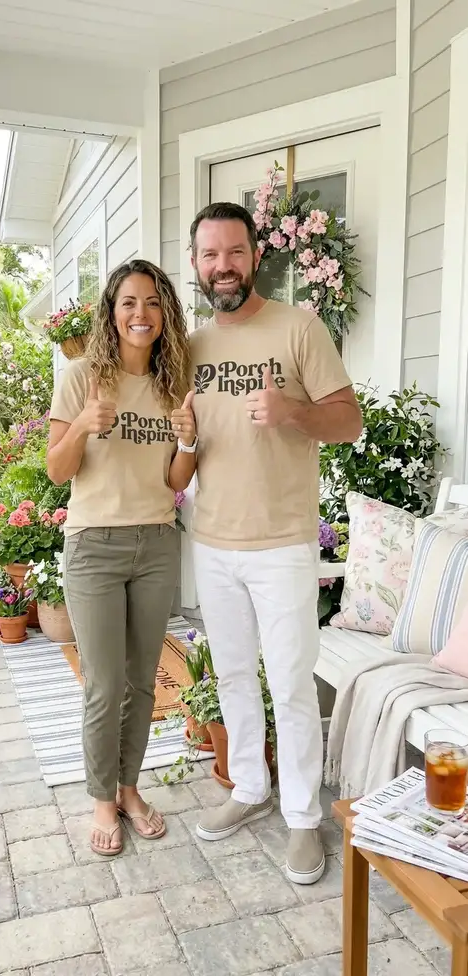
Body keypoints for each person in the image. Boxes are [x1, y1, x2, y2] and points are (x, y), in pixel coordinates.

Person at [185, 202, 362, 884]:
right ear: (196, 263)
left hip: (283, 540)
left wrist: (293, 410)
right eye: (209, 255)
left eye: (233, 251)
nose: (222, 265)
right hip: (213, 540)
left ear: (255, 255)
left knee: (289, 683)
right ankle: (250, 789)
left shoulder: (298, 327)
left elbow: (347, 421)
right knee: (232, 673)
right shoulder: (194, 345)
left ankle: (300, 818)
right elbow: (187, 439)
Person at [47, 259, 196, 857]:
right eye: (129, 302)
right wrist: (82, 423)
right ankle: (102, 799)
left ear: (166, 314)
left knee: (140, 680)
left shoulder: (170, 384)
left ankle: (130, 788)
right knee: (104, 685)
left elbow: (176, 479)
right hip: (95, 548)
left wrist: (187, 437)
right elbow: (57, 471)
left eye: (153, 303)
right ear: (112, 312)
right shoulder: (82, 376)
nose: (142, 314)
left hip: (157, 543)